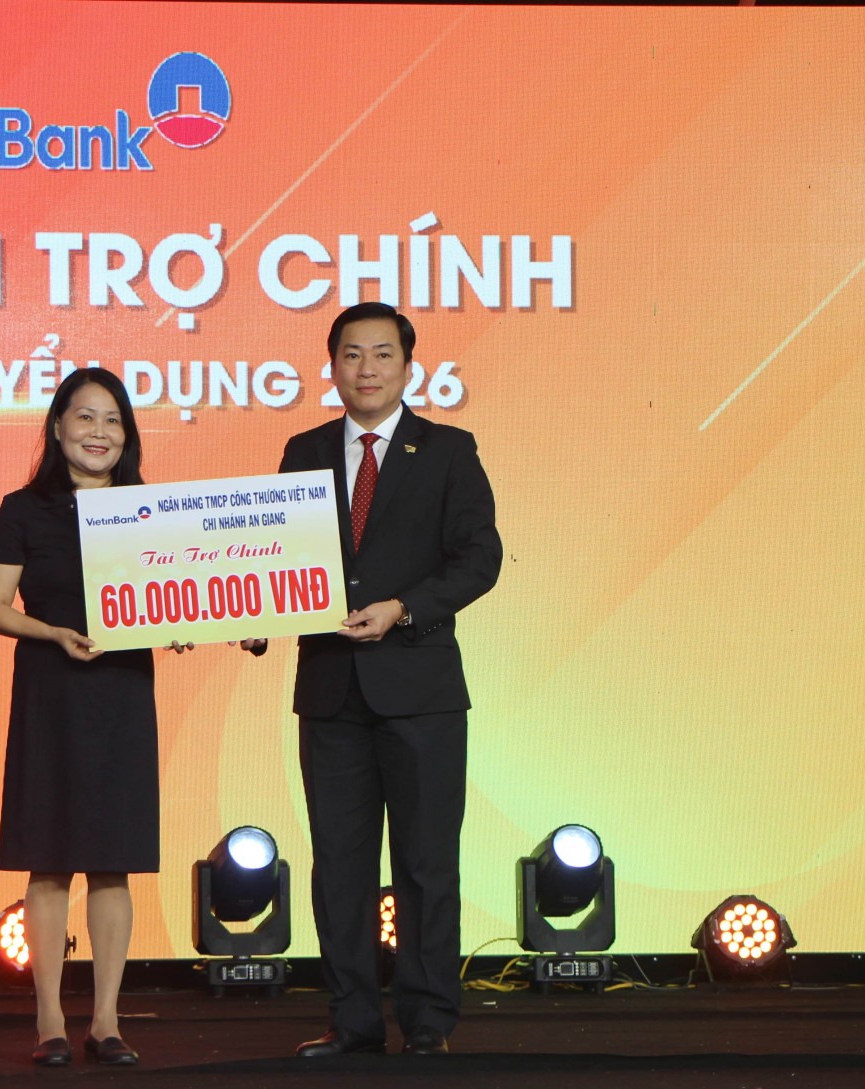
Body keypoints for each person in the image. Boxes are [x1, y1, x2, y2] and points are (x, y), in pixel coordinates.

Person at [245, 301, 501, 1057]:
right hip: (330, 691)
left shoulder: (448, 450)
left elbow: (479, 558)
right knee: (339, 867)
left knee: (426, 863)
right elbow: (276, 557)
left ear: (409, 367)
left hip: (420, 693)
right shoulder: (304, 451)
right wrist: (254, 611)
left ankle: (428, 1021)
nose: (366, 369)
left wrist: (404, 608)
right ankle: (352, 1019)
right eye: (351, 354)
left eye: (383, 354)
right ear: (332, 366)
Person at [0, 367, 184, 1068]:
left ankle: (106, 1022)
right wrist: (54, 634)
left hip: (122, 692)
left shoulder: (149, 510)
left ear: (128, 435)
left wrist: (189, 623)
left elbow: (177, 597)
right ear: (58, 426)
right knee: (49, 860)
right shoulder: (22, 509)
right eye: (86, 417)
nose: (99, 432)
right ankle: (48, 1022)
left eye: (113, 420)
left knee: (113, 862)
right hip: (52, 690)